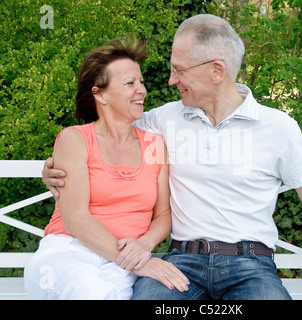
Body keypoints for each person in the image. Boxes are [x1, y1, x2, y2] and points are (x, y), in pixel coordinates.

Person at [42, 15, 302, 300]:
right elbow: (106, 133)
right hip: (182, 261)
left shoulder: (278, 127)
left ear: (217, 71)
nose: (170, 79)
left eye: (180, 70)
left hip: (251, 266)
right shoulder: (163, 120)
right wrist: (57, 169)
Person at [24, 35, 189, 300]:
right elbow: (75, 219)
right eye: (129, 83)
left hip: (122, 262)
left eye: (141, 82)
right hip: (69, 252)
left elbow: (164, 214)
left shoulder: (154, 144)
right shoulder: (75, 139)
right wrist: (139, 262)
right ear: (99, 94)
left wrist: (143, 246)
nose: (142, 90)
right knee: (94, 292)